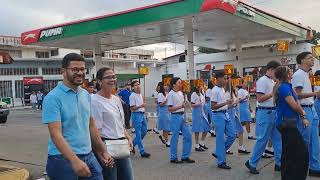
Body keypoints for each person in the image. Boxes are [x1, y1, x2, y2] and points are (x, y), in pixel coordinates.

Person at [42, 53, 113, 180]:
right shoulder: (52, 98)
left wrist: (103, 151)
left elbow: (91, 126)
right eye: (75, 69)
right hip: (62, 159)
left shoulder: (85, 94)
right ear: (63, 71)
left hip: (88, 155)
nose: (80, 73)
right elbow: (55, 135)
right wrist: (74, 160)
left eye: (82, 69)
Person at [91, 67, 134, 180]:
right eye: (108, 77)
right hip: (107, 148)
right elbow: (95, 131)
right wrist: (101, 154)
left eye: (114, 77)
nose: (112, 79)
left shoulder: (116, 99)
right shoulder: (94, 100)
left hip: (122, 146)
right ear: (99, 81)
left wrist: (128, 137)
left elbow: (120, 124)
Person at [245, 60, 282, 174]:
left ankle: (279, 163)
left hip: (273, 112)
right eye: (277, 71)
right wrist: (273, 93)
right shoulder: (262, 81)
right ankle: (251, 163)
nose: (278, 74)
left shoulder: (272, 81)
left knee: (277, 139)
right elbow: (260, 99)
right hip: (264, 113)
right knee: (262, 140)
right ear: (270, 70)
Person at [274, 66, 309, 180]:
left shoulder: (287, 86)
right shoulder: (284, 87)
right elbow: (294, 105)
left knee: (289, 151)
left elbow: (296, 100)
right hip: (286, 123)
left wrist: (300, 112)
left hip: (288, 123)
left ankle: (288, 176)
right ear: (286, 74)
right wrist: (303, 113)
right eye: (290, 70)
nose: (292, 71)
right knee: (301, 151)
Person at [292, 52, 320, 177]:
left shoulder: (307, 74)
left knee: (315, 141)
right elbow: (296, 95)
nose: (312, 60)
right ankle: (302, 166)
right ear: (302, 61)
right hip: (304, 109)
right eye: (309, 58)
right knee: (305, 141)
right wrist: (315, 94)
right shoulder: (298, 75)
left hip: (311, 108)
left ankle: (315, 167)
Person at [210, 72, 236, 169]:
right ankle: (221, 162)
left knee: (232, 135)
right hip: (218, 115)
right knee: (220, 139)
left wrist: (231, 103)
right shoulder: (215, 90)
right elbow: (213, 106)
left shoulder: (222, 89)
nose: (226, 80)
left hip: (225, 114)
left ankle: (218, 152)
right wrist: (226, 102)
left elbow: (224, 104)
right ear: (219, 79)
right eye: (224, 78)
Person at [167, 77, 195, 164]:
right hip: (175, 116)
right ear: (174, 84)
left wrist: (187, 105)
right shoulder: (171, 94)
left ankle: (185, 156)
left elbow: (185, 104)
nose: (180, 84)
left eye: (180, 82)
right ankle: (173, 157)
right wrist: (181, 106)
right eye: (179, 82)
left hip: (183, 115)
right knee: (175, 137)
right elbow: (170, 109)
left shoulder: (181, 93)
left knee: (188, 135)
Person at [225, 84, 250, 155]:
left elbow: (236, 101)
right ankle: (227, 148)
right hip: (230, 114)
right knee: (230, 132)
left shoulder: (233, 93)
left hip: (234, 113)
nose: (235, 87)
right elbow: (227, 106)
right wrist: (234, 103)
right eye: (233, 86)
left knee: (240, 130)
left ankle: (241, 147)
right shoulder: (227, 94)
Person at [129, 80, 151, 158]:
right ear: (132, 88)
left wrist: (145, 114)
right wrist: (141, 106)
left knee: (144, 132)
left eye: (138, 84)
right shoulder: (132, 96)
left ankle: (131, 146)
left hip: (142, 114)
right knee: (138, 134)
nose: (138, 86)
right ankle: (142, 151)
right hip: (136, 115)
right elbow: (132, 108)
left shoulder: (140, 95)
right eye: (135, 85)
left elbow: (143, 106)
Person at [191, 86, 210, 152]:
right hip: (196, 112)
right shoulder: (194, 94)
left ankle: (202, 142)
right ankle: (196, 145)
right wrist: (199, 104)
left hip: (202, 111)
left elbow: (204, 101)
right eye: (200, 85)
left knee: (207, 126)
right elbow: (192, 105)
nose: (201, 87)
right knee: (197, 129)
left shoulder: (202, 93)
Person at [157, 82, 171, 147]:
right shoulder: (160, 94)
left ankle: (163, 137)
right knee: (165, 127)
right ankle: (167, 141)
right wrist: (166, 101)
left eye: (168, 86)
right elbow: (160, 104)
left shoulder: (169, 93)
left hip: (169, 110)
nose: (167, 87)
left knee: (168, 127)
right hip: (163, 111)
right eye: (165, 85)